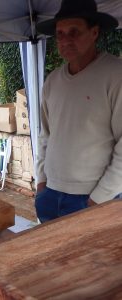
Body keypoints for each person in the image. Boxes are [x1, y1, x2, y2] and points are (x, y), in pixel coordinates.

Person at [35, 0, 122, 223]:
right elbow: (46, 135)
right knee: (49, 258)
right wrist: (41, 181)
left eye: (74, 32)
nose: (65, 40)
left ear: (94, 32)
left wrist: (99, 199)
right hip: (50, 194)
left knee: (94, 259)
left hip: (93, 198)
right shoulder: (53, 81)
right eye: (60, 34)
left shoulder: (115, 75)